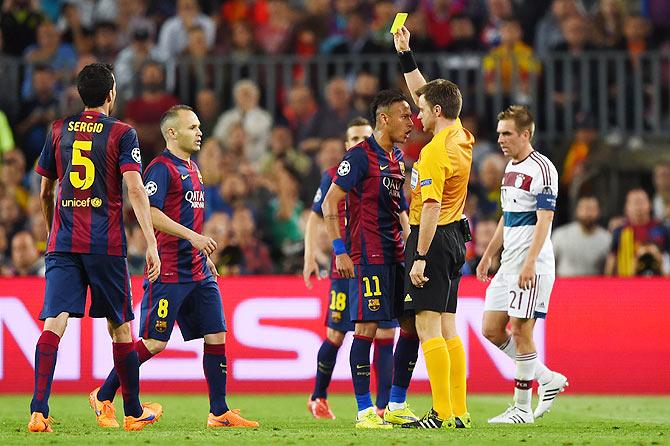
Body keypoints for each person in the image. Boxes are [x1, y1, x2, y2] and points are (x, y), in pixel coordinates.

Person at [90, 105, 259, 429]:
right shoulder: (160, 169)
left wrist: (202, 252)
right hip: (168, 271)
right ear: (171, 133)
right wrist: (193, 237)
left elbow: (187, 216)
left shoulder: (194, 169)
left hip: (197, 269)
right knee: (155, 342)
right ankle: (103, 395)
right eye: (192, 127)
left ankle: (219, 411)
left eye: (199, 126)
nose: (199, 132)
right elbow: (150, 213)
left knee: (216, 334)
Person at [29, 63, 162, 432]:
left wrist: (52, 229)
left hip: (63, 243)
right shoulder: (122, 132)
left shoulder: (57, 130)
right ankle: (133, 412)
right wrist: (150, 242)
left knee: (54, 321)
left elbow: (45, 190)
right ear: (110, 95)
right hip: (105, 244)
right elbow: (134, 188)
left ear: (79, 94)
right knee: (120, 327)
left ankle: (38, 411)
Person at [392, 25, 474, 430]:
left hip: (434, 237)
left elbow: (429, 207)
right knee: (447, 325)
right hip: (457, 235)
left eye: (420, 111)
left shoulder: (432, 153)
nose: (415, 114)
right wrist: (407, 56)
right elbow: (429, 96)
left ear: (436, 113)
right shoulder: (461, 135)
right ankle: (458, 411)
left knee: (427, 326)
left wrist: (419, 256)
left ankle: (440, 413)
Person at [322, 90, 419, 429]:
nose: (411, 122)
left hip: (397, 256)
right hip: (370, 255)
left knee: (411, 326)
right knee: (366, 328)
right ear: (384, 119)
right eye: (404, 115)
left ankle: (395, 404)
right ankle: (365, 411)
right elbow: (329, 203)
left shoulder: (397, 159)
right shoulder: (360, 157)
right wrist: (339, 249)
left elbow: (399, 211)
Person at [476, 105, 568, 424]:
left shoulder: (543, 168)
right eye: (499, 132)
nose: (500, 138)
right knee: (490, 328)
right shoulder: (510, 167)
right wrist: (489, 254)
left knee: (519, 329)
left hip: (533, 265)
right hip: (508, 264)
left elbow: (545, 220)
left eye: (507, 133)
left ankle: (521, 408)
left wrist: (529, 263)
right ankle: (546, 378)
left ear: (525, 134)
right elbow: (508, 217)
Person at [303, 118, 398, 420]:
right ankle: (318, 396)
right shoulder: (332, 176)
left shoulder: (385, 172)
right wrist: (310, 256)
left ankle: (383, 406)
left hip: (378, 261)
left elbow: (402, 214)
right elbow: (316, 217)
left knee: (384, 332)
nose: (359, 142)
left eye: (364, 137)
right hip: (344, 267)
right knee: (336, 333)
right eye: (354, 137)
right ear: (346, 144)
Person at [552, 196, 611, 276]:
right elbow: (548, 264)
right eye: (584, 208)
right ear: (577, 210)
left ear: (599, 212)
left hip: (594, 286)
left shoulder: (607, 239)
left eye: (592, 209)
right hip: (564, 285)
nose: (588, 213)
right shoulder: (560, 235)